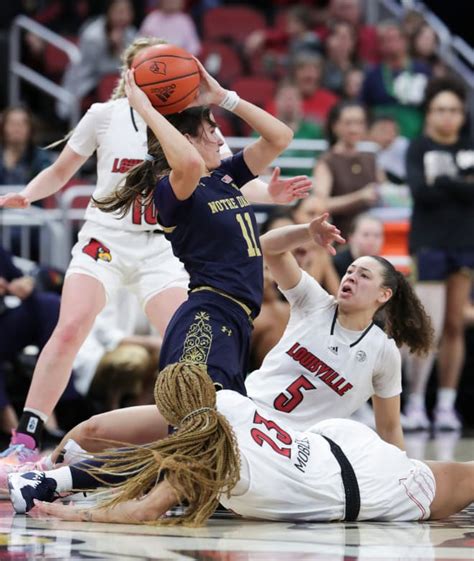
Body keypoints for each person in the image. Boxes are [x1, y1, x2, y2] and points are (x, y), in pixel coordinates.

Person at [0, 37, 310, 470]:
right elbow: (60, 171)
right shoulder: (104, 117)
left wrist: (268, 193)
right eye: (151, 72)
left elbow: (221, 174)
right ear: (132, 76)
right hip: (107, 238)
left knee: (185, 343)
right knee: (71, 326)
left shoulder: (189, 121)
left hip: (161, 247)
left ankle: (191, 438)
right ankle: (24, 441)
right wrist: (28, 195)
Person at [10, 362, 473, 525]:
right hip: (339, 445)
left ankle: (50, 482)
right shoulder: (226, 398)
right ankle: (51, 479)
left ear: (169, 412)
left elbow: (142, 511)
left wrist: (70, 513)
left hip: (360, 488)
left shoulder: (194, 457)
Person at [93, 57, 295, 397]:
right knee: (196, 428)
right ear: (187, 138)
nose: (220, 140)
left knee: (210, 430)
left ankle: (87, 444)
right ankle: (84, 444)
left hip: (236, 319)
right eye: (212, 130)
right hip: (207, 318)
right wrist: (146, 110)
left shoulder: (224, 177)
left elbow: (280, 137)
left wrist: (224, 97)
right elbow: (186, 162)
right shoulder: (171, 190)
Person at [403, 77, 474, 431]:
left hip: (464, 243)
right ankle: (416, 402)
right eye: (440, 110)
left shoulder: (470, 144)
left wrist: (443, 182)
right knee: (428, 326)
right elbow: (421, 192)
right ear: (429, 114)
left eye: (454, 110)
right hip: (428, 242)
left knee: (454, 325)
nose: (447, 117)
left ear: (462, 114)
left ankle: (446, 404)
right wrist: (460, 183)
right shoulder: (419, 146)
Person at [313, 100, 384, 238]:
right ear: (335, 126)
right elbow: (320, 205)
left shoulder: (370, 158)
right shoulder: (327, 161)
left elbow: (383, 189)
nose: (354, 129)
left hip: (371, 235)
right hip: (340, 235)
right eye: (348, 123)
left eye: (359, 123)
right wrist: (359, 197)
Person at [58, 0, 136, 119]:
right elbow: (96, 69)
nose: (124, 16)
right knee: (110, 81)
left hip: (114, 81)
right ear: (109, 12)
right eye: (119, 12)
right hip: (86, 81)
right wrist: (117, 49)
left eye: (127, 11)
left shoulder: (130, 32)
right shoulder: (93, 36)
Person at [359, 20, 431, 139]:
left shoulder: (421, 70)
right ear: (380, 46)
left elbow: (431, 103)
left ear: (405, 41)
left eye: (394, 39)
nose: (390, 44)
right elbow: (364, 106)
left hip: (416, 133)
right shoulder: (373, 74)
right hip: (382, 137)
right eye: (385, 40)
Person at [0, 106, 51, 186]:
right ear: (3, 127)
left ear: (31, 128)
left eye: (22, 123)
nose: (17, 128)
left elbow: (48, 184)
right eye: (12, 123)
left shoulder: (41, 157)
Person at [332, 213, 384, 279]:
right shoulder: (336, 264)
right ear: (351, 237)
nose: (371, 241)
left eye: (377, 235)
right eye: (366, 235)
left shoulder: (381, 267)